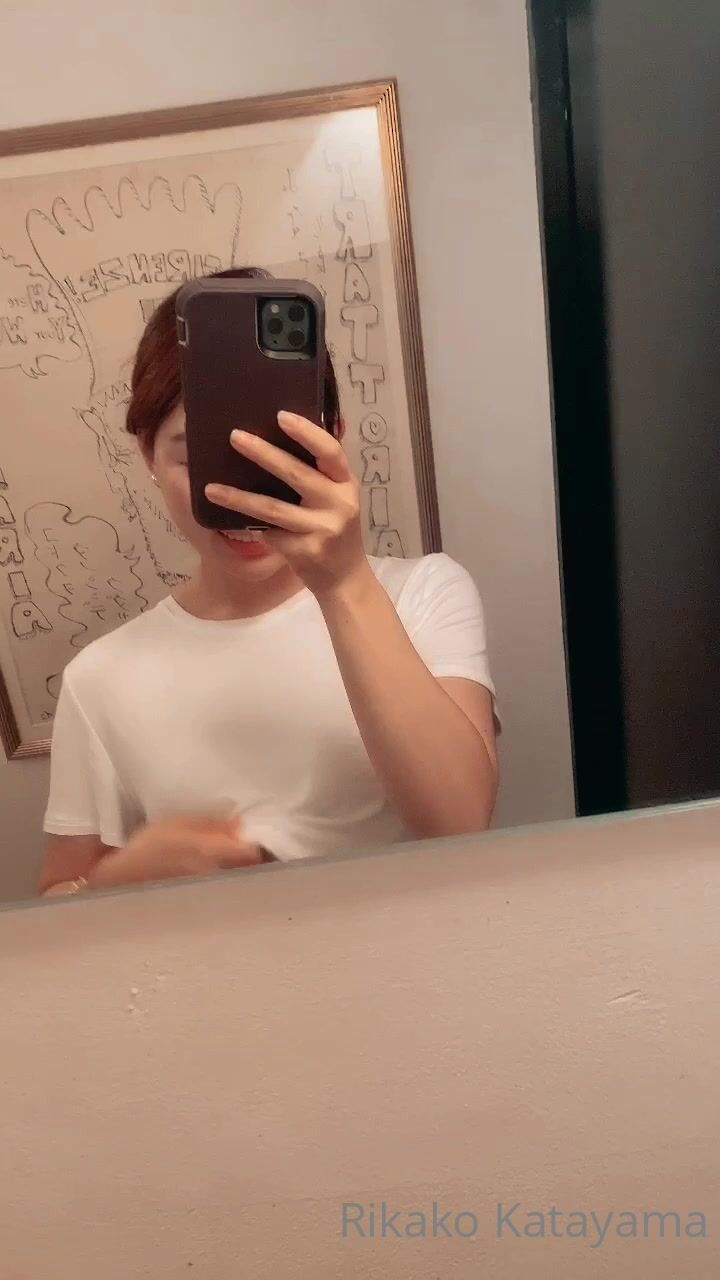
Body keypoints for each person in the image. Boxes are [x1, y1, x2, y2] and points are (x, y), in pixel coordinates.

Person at [39, 268, 498, 895]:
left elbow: (460, 825)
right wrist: (118, 880)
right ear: (148, 456)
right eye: (201, 458)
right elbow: (57, 896)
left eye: (278, 453)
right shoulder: (100, 676)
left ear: (332, 438)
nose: (243, 496)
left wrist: (343, 583)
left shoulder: (424, 595)